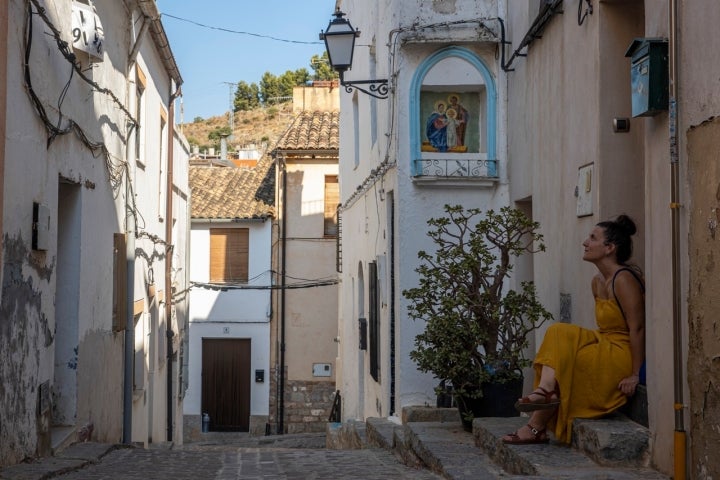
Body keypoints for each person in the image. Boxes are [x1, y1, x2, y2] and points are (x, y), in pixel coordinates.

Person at [502, 215, 645, 445]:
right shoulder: (597, 281)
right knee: (558, 331)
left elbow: (637, 328)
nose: (585, 242)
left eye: (592, 238)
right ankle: (546, 390)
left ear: (609, 248)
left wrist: (635, 373)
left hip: (621, 352)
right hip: (604, 341)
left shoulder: (624, 279)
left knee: (573, 361)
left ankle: (535, 427)